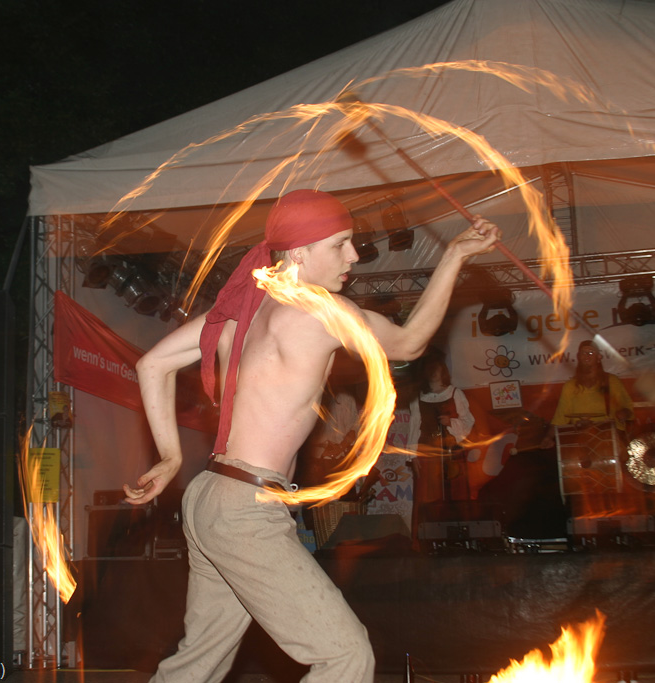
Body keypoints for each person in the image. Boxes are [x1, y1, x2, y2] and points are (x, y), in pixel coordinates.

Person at [123, 189, 500, 682]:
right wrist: (453, 256)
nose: (354, 255)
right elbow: (409, 342)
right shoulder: (321, 311)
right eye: (340, 244)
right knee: (346, 656)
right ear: (299, 253)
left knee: (196, 665)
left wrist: (171, 458)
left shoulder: (243, 309)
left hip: (209, 498)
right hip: (245, 509)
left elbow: (153, 364)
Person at [407, 356, 476, 513]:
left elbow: (468, 421)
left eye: (436, 368)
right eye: (429, 369)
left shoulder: (455, 393)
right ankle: (428, 525)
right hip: (426, 449)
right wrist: (413, 455)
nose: (433, 373)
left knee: (453, 492)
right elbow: (414, 426)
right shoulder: (417, 397)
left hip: (450, 449)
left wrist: (451, 422)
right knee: (428, 494)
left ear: (442, 371)